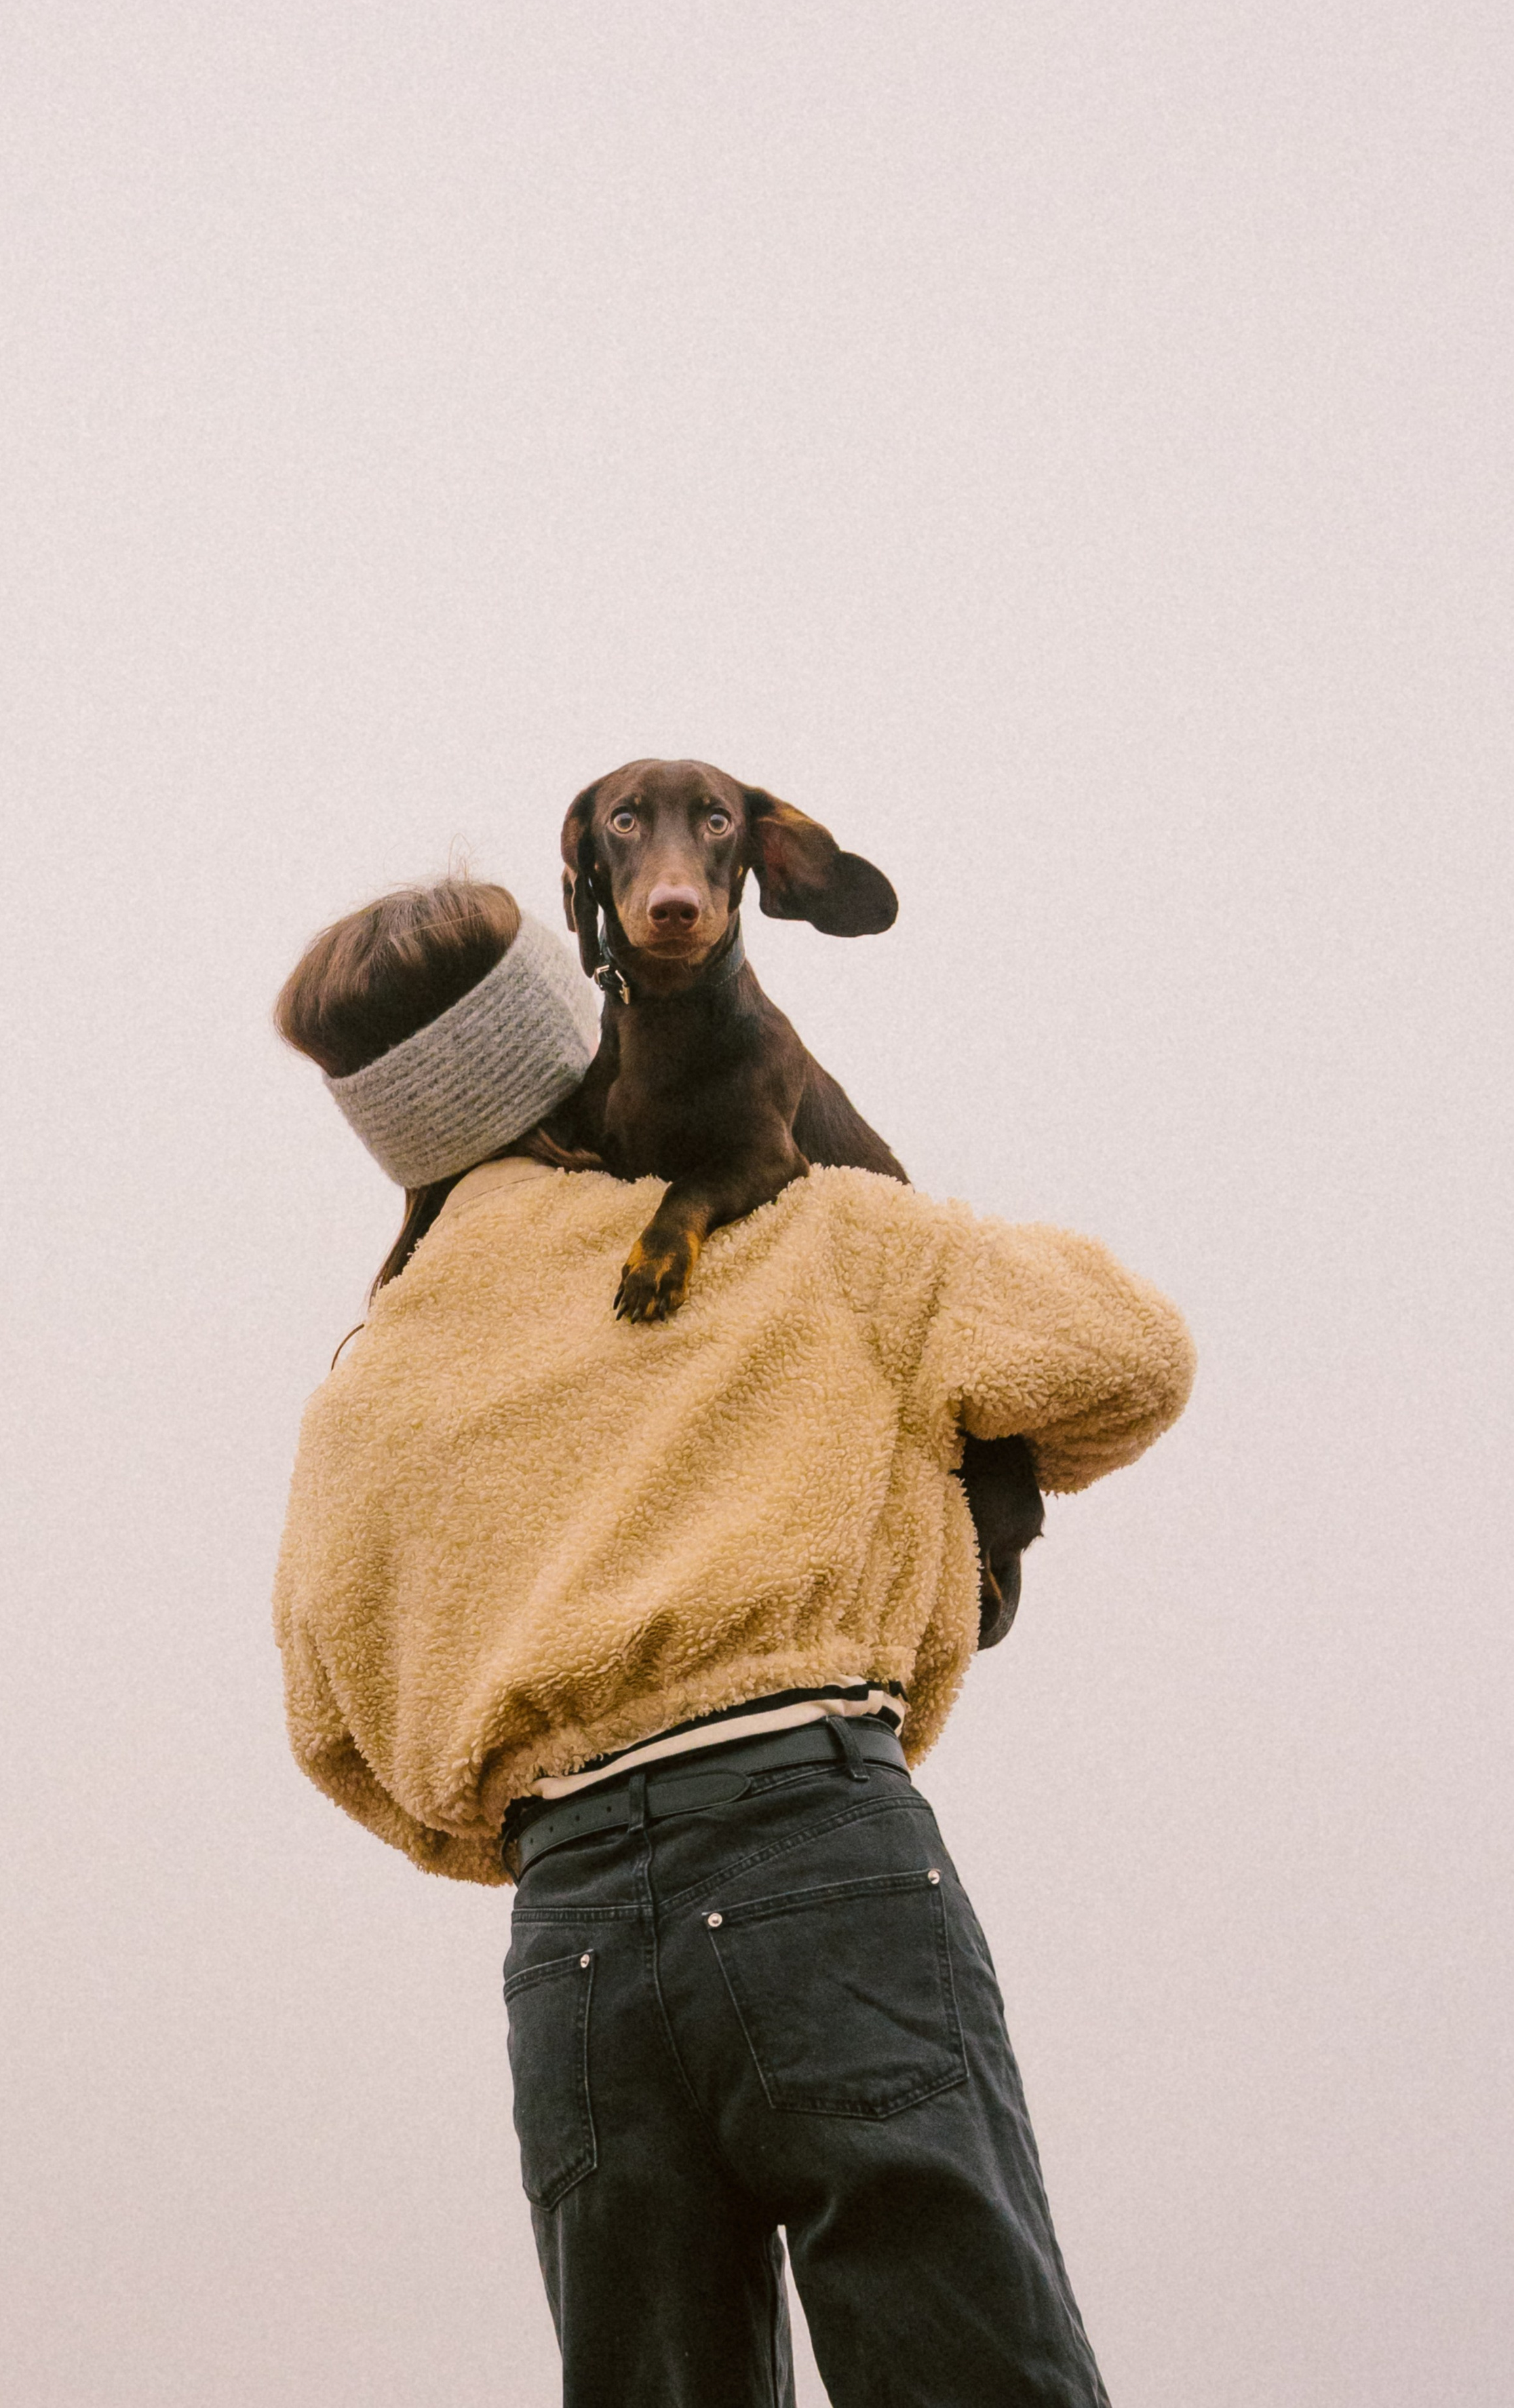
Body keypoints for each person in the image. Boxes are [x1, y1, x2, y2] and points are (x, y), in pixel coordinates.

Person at [272, 875, 1195, 2408]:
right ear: (584, 1044)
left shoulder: (366, 1389)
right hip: (805, 1844)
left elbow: (336, 1733)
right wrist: (934, 1507)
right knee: (966, 2367)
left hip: (568, 1939)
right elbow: (1129, 1356)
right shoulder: (798, 1229)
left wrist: (557, 1818)